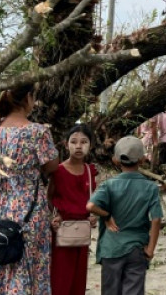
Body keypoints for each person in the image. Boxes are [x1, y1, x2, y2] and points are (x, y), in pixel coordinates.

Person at [0, 85, 59, 295]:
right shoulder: (37, 132)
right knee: (26, 262)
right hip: (27, 211)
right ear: (28, 98)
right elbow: (52, 166)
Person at [87, 136, 163, 295]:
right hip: (137, 248)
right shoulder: (150, 187)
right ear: (142, 160)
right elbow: (156, 219)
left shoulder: (108, 185)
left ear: (115, 160)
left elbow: (91, 206)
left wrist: (107, 216)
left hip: (111, 249)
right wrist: (150, 249)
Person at [49, 124, 99, 295]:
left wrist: (92, 215)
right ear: (66, 144)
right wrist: (54, 216)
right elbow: (49, 197)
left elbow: (91, 199)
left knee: (79, 278)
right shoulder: (58, 171)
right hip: (62, 230)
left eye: (84, 142)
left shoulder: (90, 171)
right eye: (74, 142)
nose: (78, 146)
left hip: (82, 231)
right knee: (61, 278)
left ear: (91, 145)